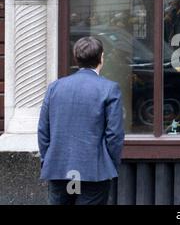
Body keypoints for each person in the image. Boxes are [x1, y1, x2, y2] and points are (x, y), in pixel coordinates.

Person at [38, 37, 125, 205]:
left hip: (59, 167)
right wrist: (110, 165)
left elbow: (43, 130)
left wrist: (48, 159)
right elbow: (114, 134)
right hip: (94, 170)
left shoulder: (55, 87)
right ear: (101, 58)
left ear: (76, 58)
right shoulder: (109, 88)